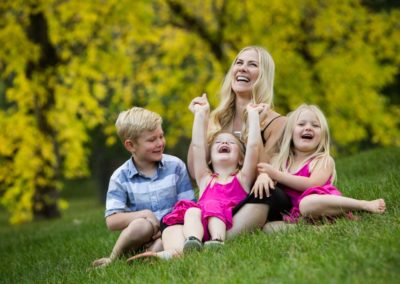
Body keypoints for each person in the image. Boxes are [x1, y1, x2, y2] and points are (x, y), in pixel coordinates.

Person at [126, 96, 262, 261]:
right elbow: (198, 146)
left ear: (241, 159)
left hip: (222, 224)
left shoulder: (243, 178)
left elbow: (254, 147)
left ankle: (217, 241)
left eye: (230, 143)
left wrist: (254, 116)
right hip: (196, 226)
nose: (223, 143)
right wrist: (200, 113)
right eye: (218, 142)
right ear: (209, 158)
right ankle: (173, 252)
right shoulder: (205, 179)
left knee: (210, 204)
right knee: (181, 216)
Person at [92, 107, 195, 267]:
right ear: (131, 145)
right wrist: (146, 214)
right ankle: (112, 260)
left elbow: (189, 206)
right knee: (142, 225)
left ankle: (148, 257)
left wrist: (167, 226)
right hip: (140, 234)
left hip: (171, 231)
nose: (160, 143)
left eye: (161, 136)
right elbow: (112, 221)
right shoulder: (120, 177)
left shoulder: (175, 166)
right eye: (151, 140)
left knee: (163, 243)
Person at [255, 104, 386, 226]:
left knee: (307, 204)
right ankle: (315, 228)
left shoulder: (322, 160)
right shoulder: (280, 160)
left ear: (322, 136)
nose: (308, 127)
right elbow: (265, 171)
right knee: (268, 227)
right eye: (301, 124)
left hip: (318, 205)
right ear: (290, 133)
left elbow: (313, 184)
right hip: (298, 215)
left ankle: (363, 205)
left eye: (315, 125)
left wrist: (277, 175)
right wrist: (264, 176)